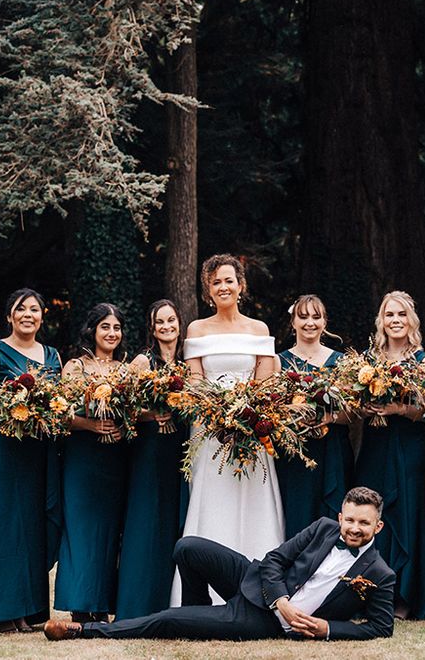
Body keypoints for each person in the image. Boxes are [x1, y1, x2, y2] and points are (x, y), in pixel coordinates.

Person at [43, 487, 395, 642]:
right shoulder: (323, 527)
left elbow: (381, 627)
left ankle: (83, 631)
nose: (354, 528)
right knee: (187, 547)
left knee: (166, 619)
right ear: (341, 516)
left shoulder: (380, 574)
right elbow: (274, 560)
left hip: (263, 621)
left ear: (377, 527)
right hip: (260, 585)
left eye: (364, 524)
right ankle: (197, 616)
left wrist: (327, 629)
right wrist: (282, 601)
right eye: (350, 520)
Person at [172, 253, 284, 605]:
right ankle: (208, 593)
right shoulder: (197, 330)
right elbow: (195, 382)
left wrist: (245, 417)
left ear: (240, 285)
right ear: (208, 289)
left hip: (250, 432)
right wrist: (218, 415)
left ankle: (262, 591)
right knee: (213, 503)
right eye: (216, 281)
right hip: (210, 434)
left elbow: (264, 387)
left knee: (253, 502)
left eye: (228, 280)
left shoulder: (259, 330)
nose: (223, 286)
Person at [0, 288, 62, 633]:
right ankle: (0, 611)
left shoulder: (52, 356)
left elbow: (59, 401)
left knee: (34, 526)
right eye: (21, 309)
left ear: (42, 316)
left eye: (34, 309)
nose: (28, 315)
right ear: (10, 316)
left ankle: (29, 610)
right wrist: (5, 413)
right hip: (4, 449)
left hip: (38, 451)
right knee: (2, 524)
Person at [354, 291, 425, 619]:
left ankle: (403, 596)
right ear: (381, 321)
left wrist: (396, 408)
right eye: (389, 315)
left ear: (411, 319)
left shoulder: (423, 360)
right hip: (376, 444)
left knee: (406, 514)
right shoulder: (367, 361)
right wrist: (366, 406)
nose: (395, 320)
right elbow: (354, 404)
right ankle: (366, 593)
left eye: (401, 314)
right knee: (370, 513)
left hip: (409, 444)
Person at [53, 303, 129, 623]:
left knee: (109, 532)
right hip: (83, 457)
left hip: (116, 459)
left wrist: (125, 425)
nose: (111, 333)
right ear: (92, 331)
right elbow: (59, 412)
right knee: (81, 530)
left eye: (116, 328)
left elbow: (136, 413)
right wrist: (89, 425)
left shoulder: (127, 371)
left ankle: (101, 604)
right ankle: (79, 604)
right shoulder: (75, 367)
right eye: (105, 327)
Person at [115, 300, 185, 619]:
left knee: (174, 519)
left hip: (181, 448)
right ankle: (137, 602)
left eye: (171, 320)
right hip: (150, 449)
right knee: (146, 520)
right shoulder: (143, 362)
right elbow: (123, 408)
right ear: (152, 328)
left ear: (179, 324)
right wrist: (151, 414)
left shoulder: (188, 361)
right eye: (160, 322)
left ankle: (170, 600)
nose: (167, 326)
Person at [274, 295, 350, 538]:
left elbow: (352, 413)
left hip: (332, 452)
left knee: (330, 519)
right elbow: (271, 410)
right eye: (303, 316)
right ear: (293, 322)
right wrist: (294, 415)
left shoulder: (340, 361)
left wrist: (329, 417)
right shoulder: (279, 361)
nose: (310, 323)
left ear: (324, 322)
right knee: (295, 516)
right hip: (295, 454)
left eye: (316, 317)